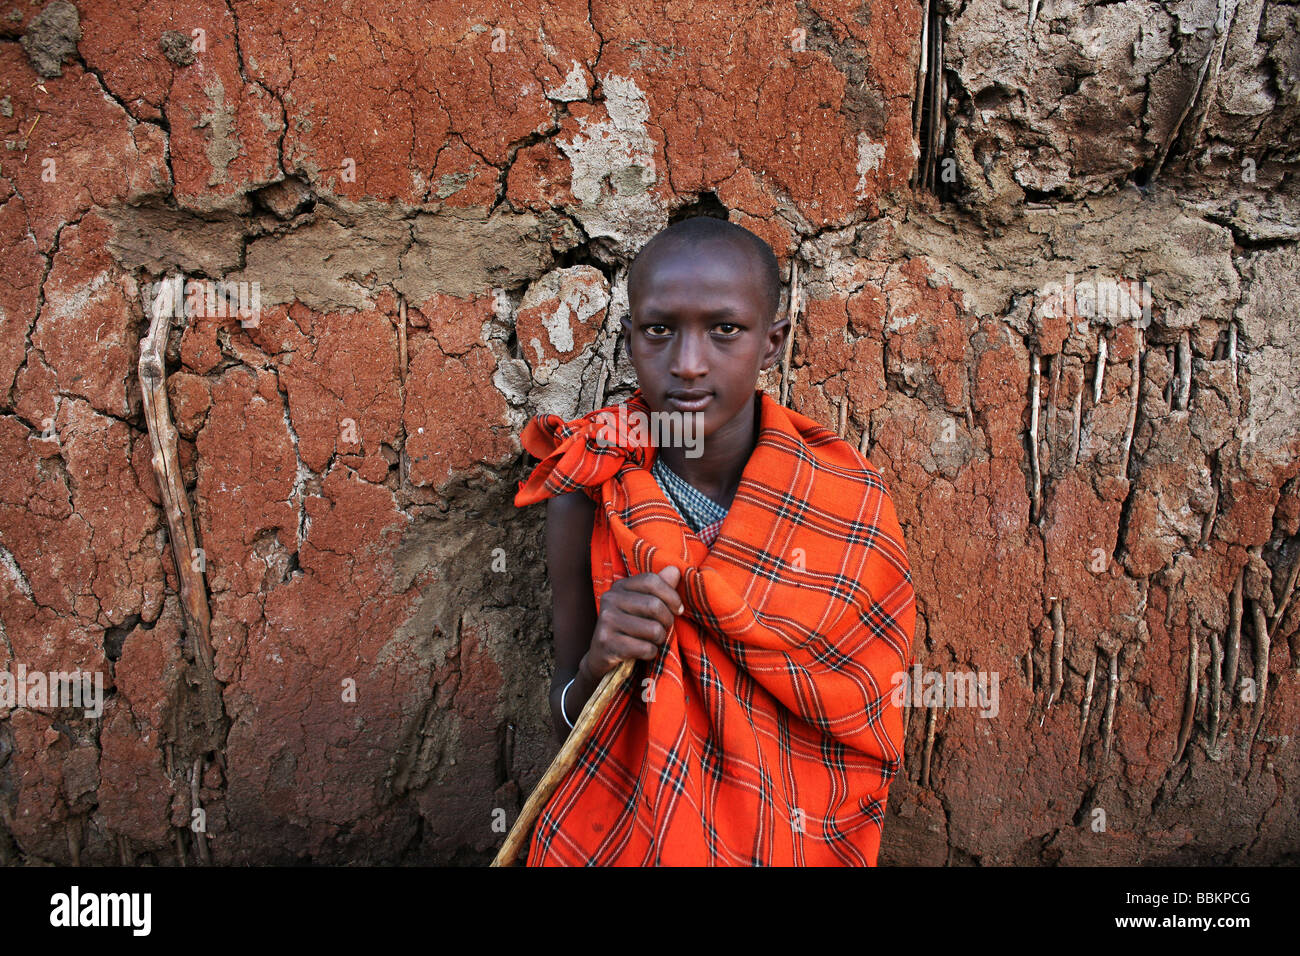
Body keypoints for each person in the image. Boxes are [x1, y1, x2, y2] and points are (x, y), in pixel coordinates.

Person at [513, 216, 916, 865]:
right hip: (635, 834)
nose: (689, 364)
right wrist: (599, 660)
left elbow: (865, 727)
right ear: (629, 340)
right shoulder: (590, 487)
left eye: (724, 329)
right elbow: (565, 720)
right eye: (659, 330)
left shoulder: (846, 500)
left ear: (772, 343)